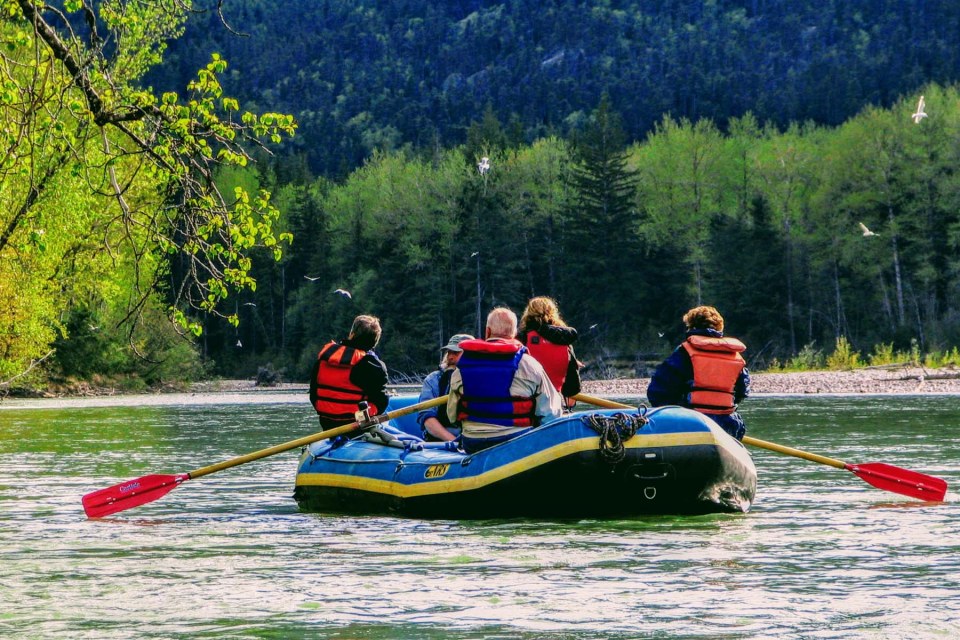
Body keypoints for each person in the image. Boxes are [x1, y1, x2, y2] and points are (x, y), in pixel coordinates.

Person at [446, 307, 563, 453]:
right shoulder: (530, 364)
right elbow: (551, 415)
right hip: (517, 440)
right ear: (514, 334)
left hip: (473, 441)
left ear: (487, 331)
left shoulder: (463, 366)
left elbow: (451, 415)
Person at [646, 305, 750, 440]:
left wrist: (673, 412)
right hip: (727, 423)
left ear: (691, 327)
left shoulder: (684, 353)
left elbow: (657, 392)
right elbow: (742, 392)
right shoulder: (735, 356)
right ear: (720, 328)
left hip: (690, 422)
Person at [309, 314, 389, 430]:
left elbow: (314, 395)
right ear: (374, 342)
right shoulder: (372, 365)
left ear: (352, 335)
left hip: (327, 423)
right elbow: (381, 403)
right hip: (358, 425)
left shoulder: (323, 360)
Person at [517, 296, 582, 408]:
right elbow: (572, 392)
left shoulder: (521, 339)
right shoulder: (565, 343)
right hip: (552, 405)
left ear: (528, 314)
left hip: (525, 405)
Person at [416, 333, 474, 442]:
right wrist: (454, 442)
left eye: (456, 353)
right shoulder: (433, 380)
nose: (450, 357)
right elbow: (427, 419)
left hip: (472, 438)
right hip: (442, 443)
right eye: (449, 352)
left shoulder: (481, 379)